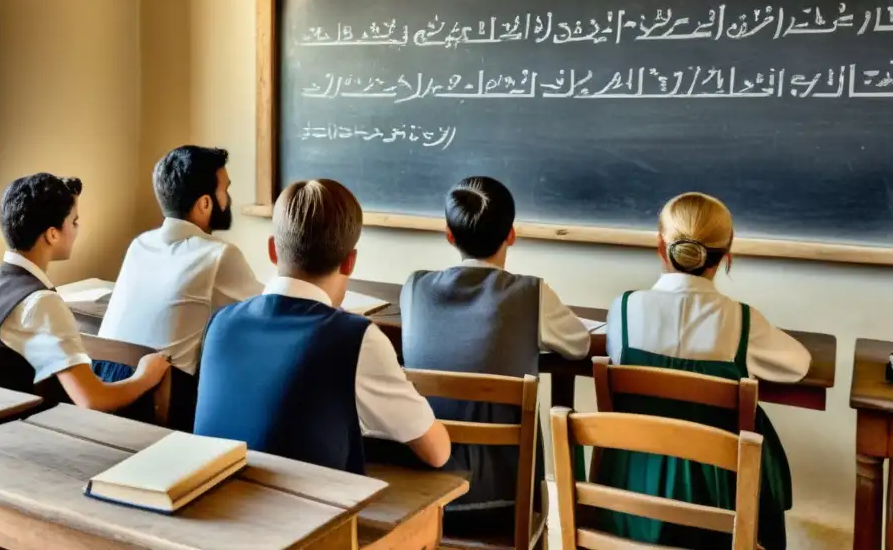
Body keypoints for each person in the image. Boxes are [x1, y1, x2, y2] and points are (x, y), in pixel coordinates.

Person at [598, 192, 810, 549]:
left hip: (632, 482)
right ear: (727, 256)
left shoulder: (623, 309)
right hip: (719, 492)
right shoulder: (742, 321)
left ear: (660, 247)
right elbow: (798, 365)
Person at [194, 179, 450, 473]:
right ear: (350, 262)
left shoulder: (220, 324)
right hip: (308, 516)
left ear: (273, 251)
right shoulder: (355, 338)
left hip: (215, 506)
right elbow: (437, 452)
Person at [399, 176, 590, 535]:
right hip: (508, 500)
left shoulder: (414, 289)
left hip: (429, 489)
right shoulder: (530, 293)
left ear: (449, 235)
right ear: (512, 234)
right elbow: (579, 345)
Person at [0, 173, 169, 410]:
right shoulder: (40, 302)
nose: (77, 229)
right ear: (52, 234)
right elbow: (93, 399)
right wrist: (146, 375)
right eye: (74, 221)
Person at [96, 145, 262, 427]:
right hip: (159, 401)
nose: (229, 198)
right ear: (205, 204)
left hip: (104, 383)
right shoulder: (218, 254)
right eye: (226, 190)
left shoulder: (140, 244)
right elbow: (268, 309)